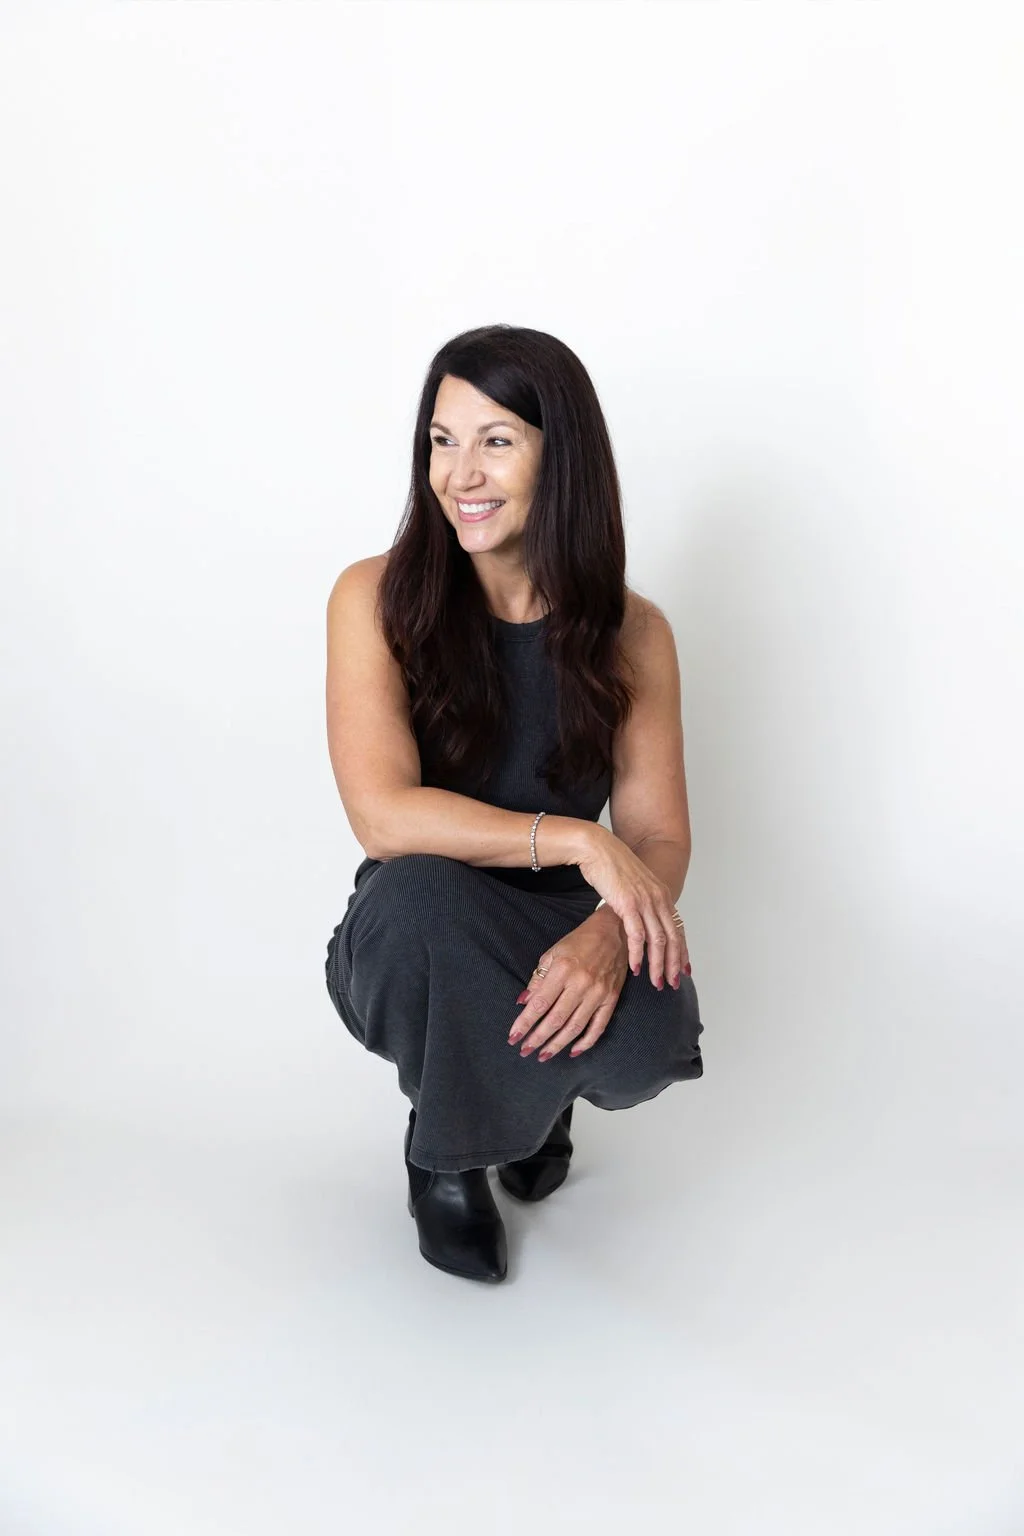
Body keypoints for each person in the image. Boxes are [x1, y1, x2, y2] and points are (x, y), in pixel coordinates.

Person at [323, 324, 705, 1283]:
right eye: (441, 441)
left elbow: (656, 834)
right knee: (422, 904)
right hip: (422, 919)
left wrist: (611, 933)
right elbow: (384, 816)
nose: (461, 472)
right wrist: (580, 839)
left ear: (558, 455)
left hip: (559, 920)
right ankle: (442, 1155)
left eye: (496, 440)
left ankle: (530, 1097)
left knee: (656, 1033)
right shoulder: (372, 598)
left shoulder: (634, 632)